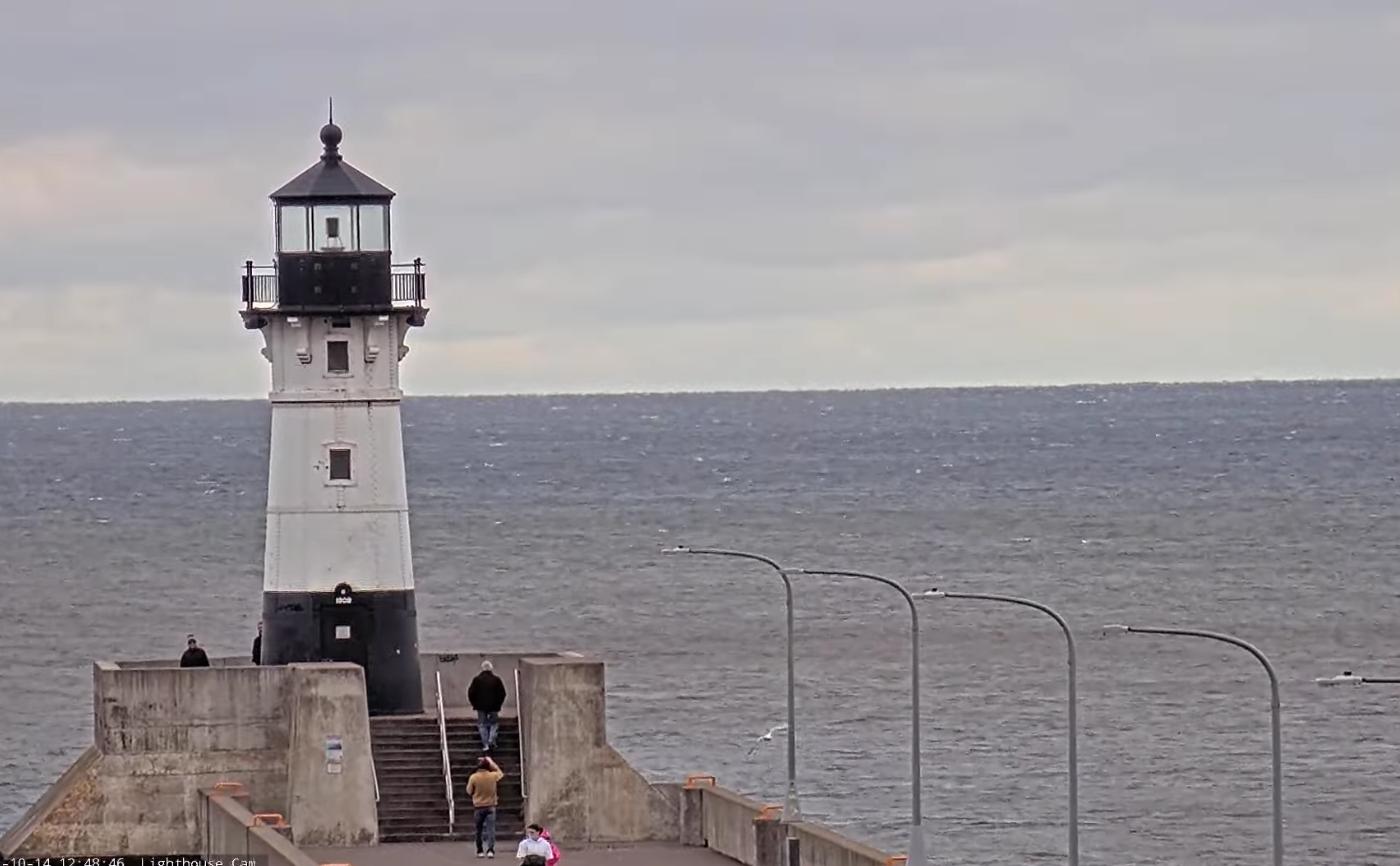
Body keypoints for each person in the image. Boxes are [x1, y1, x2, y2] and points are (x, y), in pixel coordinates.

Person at [467, 755, 504, 858]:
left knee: (478, 829)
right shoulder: (493, 776)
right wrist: (491, 762)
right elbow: (500, 773)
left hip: (478, 806)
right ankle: (490, 850)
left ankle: (479, 850)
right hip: (491, 805)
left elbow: (469, 791)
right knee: (490, 829)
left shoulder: (473, 777)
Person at [468, 660, 507, 752]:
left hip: (480, 707)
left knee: (482, 725)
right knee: (494, 724)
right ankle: (491, 741)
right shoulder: (496, 680)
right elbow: (502, 693)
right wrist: (498, 705)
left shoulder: (477, 680)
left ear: (482, 668)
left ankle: (485, 744)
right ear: (491, 668)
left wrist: (475, 704)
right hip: (493, 707)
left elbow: (471, 693)